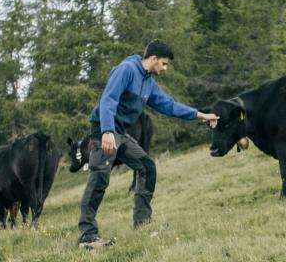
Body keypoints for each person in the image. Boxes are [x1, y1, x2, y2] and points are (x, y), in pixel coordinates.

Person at [77, 39, 218, 246]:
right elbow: (108, 99)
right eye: (164, 63)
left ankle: (142, 222)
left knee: (146, 166)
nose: (165, 68)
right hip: (103, 129)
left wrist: (201, 115)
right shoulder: (126, 70)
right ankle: (87, 236)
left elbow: (169, 105)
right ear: (153, 59)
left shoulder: (148, 83)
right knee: (99, 178)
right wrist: (106, 131)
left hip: (120, 132)